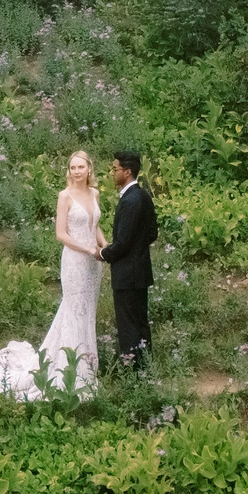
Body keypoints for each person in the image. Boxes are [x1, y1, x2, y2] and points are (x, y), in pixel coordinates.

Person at [0, 149, 103, 399]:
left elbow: (94, 226)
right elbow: (61, 235)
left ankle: (87, 364)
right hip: (76, 261)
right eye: (73, 167)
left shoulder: (95, 193)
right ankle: (69, 367)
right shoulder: (64, 196)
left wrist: (105, 247)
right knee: (73, 310)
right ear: (70, 171)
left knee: (87, 311)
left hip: (93, 264)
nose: (77, 171)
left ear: (89, 169)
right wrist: (88, 248)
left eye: (81, 167)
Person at [98, 147, 156, 371]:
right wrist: (137, 249)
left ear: (127, 172)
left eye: (115, 169)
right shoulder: (142, 196)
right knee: (140, 322)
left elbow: (122, 243)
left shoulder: (131, 200)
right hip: (139, 272)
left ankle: (133, 371)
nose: (113, 173)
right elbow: (152, 233)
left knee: (129, 325)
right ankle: (145, 366)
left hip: (127, 274)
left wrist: (103, 253)